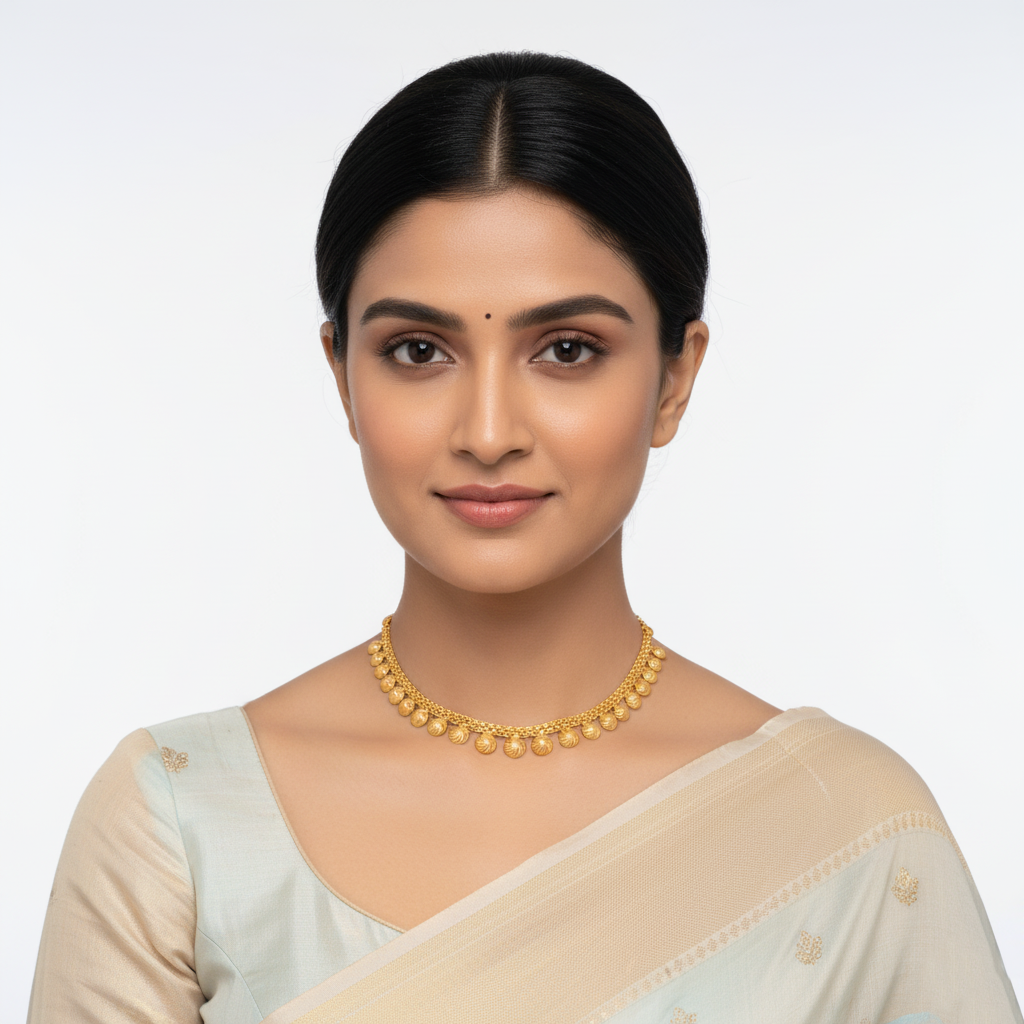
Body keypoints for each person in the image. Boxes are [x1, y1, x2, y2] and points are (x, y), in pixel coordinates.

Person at [27, 51, 1021, 1024]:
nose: (489, 430)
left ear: (675, 376)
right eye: (418, 351)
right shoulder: (177, 825)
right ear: (342, 376)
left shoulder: (848, 829)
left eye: (567, 350)